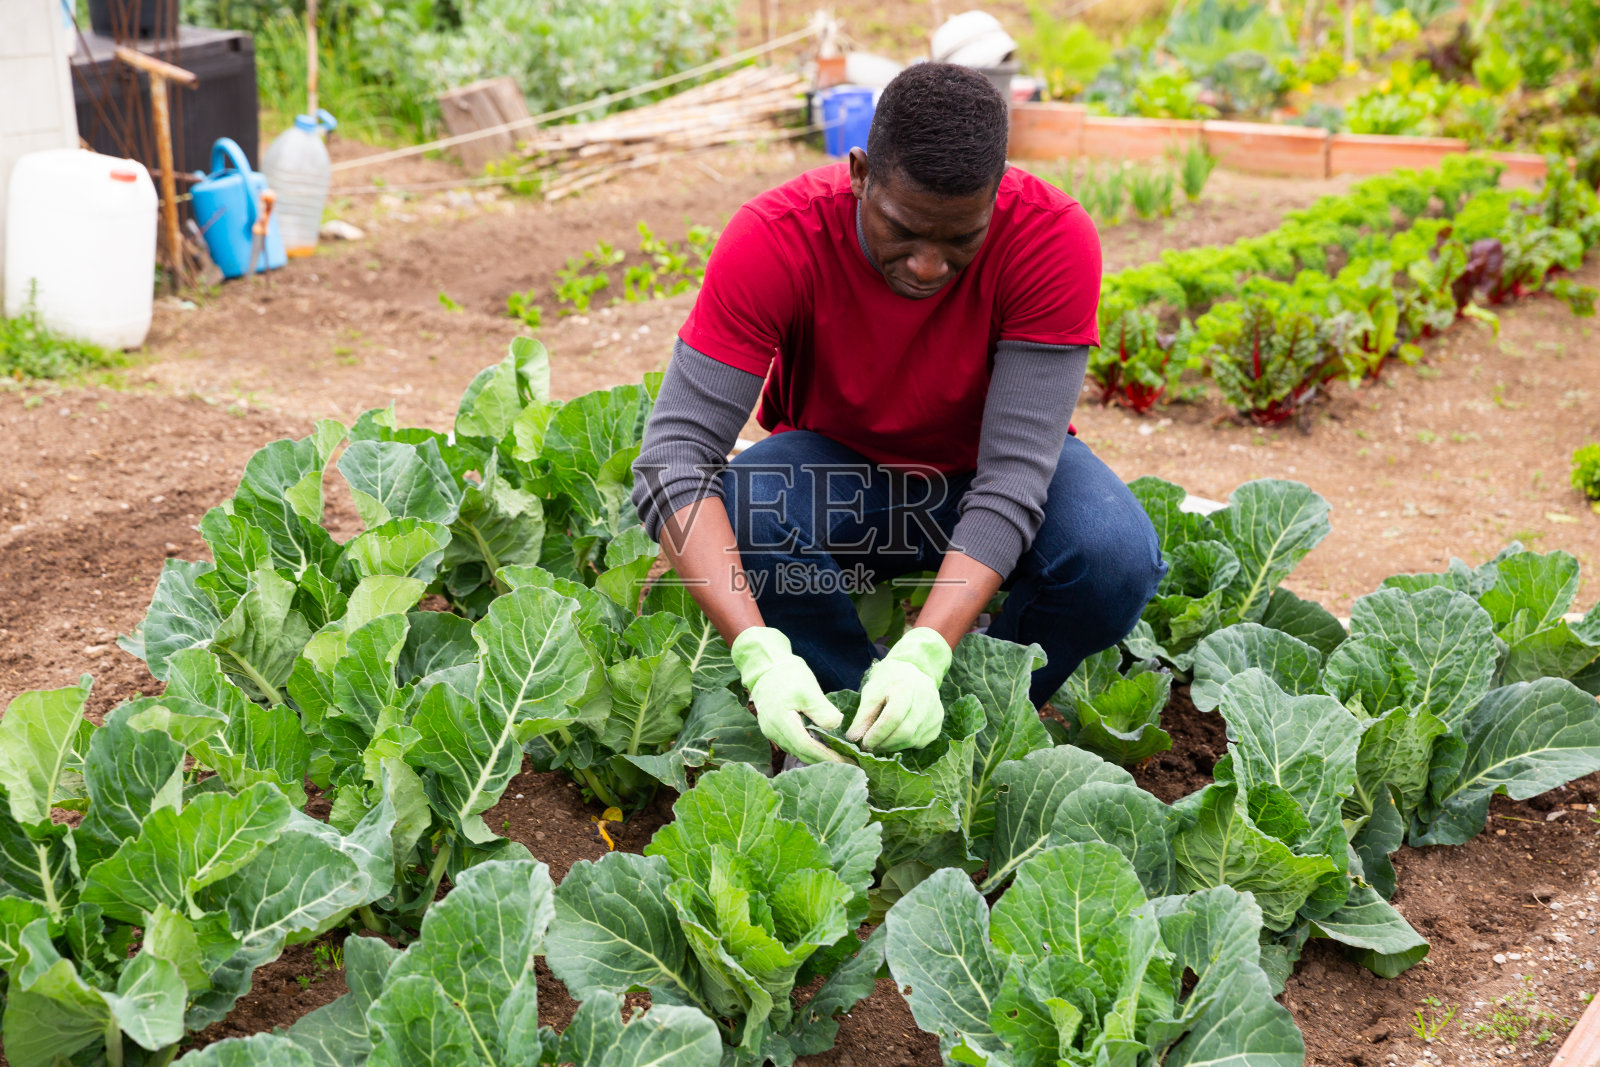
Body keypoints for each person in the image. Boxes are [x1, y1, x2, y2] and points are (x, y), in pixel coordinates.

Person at [632, 63, 1164, 765]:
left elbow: (1011, 479)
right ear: (859, 174)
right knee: (751, 504)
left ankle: (973, 712)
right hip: (845, 467)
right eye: (904, 230)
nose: (926, 267)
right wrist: (756, 651)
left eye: (959, 241)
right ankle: (837, 713)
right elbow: (673, 457)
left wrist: (929, 651)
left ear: (997, 195)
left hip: (984, 469)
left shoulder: (1050, 239)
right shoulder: (775, 237)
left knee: (1113, 556)